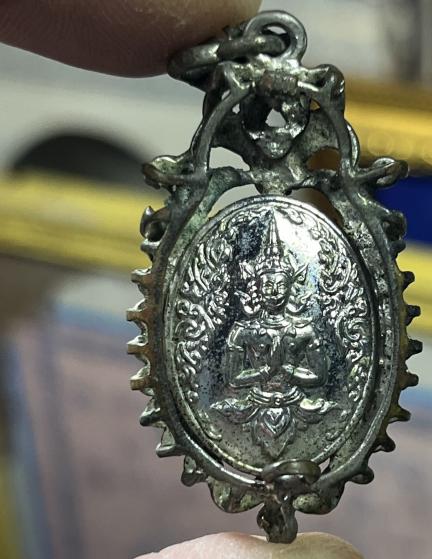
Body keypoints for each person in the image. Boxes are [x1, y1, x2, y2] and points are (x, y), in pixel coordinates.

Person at [0, 2, 363, 557]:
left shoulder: (304, 325)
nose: (271, 290)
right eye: (261, 282)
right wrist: (258, 376)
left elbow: (314, 376)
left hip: (301, 422)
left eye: (280, 282)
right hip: (242, 416)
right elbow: (232, 377)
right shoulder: (242, 329)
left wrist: (287, 371)